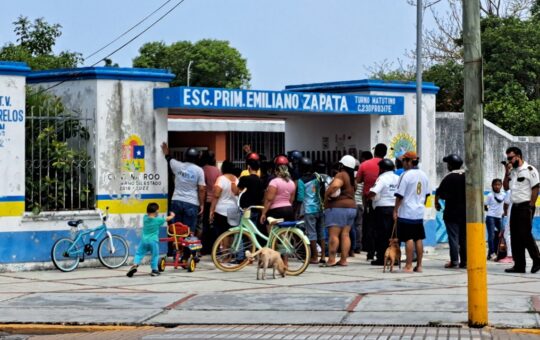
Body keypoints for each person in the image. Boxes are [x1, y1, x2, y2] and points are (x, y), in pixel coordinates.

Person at [502, 146, 540, 274]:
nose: (509, 161)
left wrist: (531, 204)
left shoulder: (530, 170)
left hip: (526, 206)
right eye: (508, 158)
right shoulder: (512, 171)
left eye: (511, 158)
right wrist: (506, 172)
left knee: (525, 234)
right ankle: (519, 265)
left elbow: (535, 187)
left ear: (518, 156)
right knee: (515, 237)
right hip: (515, 206)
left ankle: (537, 259)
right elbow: (506, 187)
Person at [393, 151, 430, 273]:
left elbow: (399, 195)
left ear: (409, 161)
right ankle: (419, 266)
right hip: (418, 212)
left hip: (406, 212)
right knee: (418, 238)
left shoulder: (405, 175)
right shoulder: (424, 175)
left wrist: (395, 210)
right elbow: (427, 195)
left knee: (408, 238)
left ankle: (408, 265)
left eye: (404, 161)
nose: (402, 163)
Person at [161, 143, 205, 234]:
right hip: (191, 203)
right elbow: (201, 189)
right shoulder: (199, 170)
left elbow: (169, 158)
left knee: (176, 230)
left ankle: (177, 248)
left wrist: (166, 151)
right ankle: (186, 247)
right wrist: (202, 204)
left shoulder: (177, 165)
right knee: (188, 231)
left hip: (176, 201)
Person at [322, 155, 357, 267]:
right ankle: (343, 260)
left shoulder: (341, 175)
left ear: (342, 165)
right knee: (345, 234)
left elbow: (334, 187)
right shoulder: (352, 179)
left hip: (338, 208)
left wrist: (326, 195)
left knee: (334, 235)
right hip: (351, 208)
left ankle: (331, 259)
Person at [435, 154, 466, 269]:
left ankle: (454, 261)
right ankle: (465, 261)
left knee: (453, 238)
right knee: (463, 238)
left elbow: (440, 193)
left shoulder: (448, 177)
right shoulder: (467, 176)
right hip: (465, 213)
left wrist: (437, 202)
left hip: (451, 213)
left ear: (450, 165)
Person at [356, 143, 387, 260]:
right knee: (383, 228)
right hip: (385, 202)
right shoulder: (389, 165)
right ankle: (381, 252)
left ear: (375, 152)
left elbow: (358, 181)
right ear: (385, 153)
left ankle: (370, 252)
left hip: (369, 200)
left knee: (369, 226)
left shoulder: (365, 164)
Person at [127, 203, 175, 277]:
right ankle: (154, 270)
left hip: (144, 241)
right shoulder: (158, 220)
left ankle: (135, 265)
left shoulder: (145, 218)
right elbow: (166, 218)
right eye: (158, 211)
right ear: (156, 212)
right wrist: (172, 215)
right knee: (155, 255)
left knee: (139, 253)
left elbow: (150, 215)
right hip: (153, 241)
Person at [368, 159, 400, 266]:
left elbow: (374, 191)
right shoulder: (398, 178)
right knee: (394, 235)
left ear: (382, 168)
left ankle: (382, 258)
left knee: (382, 235)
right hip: (395, 209)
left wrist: (368, 197)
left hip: (382, 210)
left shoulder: (382, 178)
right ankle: (394, 258)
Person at [296, 157, 326, 264]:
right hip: (320, 208)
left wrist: (297, 212)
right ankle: (323, 256)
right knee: (321, 232)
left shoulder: (301, 181)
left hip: (309, 210)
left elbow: (300, 198)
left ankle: (314, 257)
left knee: (312, 233)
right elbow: (323, 190)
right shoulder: (317, 176)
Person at [260, 155, 296, 229]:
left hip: (276, 211)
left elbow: (269, 200)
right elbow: (291, 200)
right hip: (289, 210)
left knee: (271, 233)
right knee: (286, 233)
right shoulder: (292, 183)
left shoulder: (274, 182)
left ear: (276, 170)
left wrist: (263, 213)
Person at [210, 161, 239, 237]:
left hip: (221, 210)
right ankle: (231, 248)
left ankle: (224, 248)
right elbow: (238, 192)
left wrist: (212, 210)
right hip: (234, 209)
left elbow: (216, 195)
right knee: (232, 233)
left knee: (222, 233)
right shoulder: (236, 179)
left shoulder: (221, 179)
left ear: (223, 168)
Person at [238, 156, 265, 237]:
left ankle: (242, 249)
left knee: (243, 232)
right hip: (256, 209)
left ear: (249, 167)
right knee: (253, 232)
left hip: (246, 209)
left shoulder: (244, 179)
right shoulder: (261, 181)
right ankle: (252, 248)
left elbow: (237, 191)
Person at [200, 150, 221, 255]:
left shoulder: (202, 169)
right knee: (214, 225)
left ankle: (204, 248)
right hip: (215, 201)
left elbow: (201, 187)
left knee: (205, 225)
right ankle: (215, 247)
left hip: (205, 201)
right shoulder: (217, 170)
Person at [484, 178, 505, 261]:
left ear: (501, 185)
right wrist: (490, 211)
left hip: (499, 217)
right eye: (495, 185)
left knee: (501, 235)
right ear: (492, 186)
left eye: (498, 184)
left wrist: (503, 212)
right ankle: (492, 253)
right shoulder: (490, 195)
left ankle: (492, 253)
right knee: (491, 235)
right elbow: (485, 205)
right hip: (491, 217)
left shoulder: (504, 194)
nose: (497, 186)